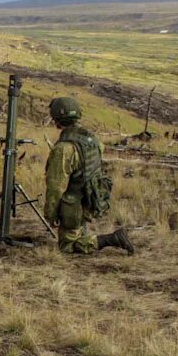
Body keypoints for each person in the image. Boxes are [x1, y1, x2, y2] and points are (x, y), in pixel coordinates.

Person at [43, 97, 134, 254]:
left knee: (67, 246)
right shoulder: (92, 140)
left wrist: (51, 215)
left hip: (72, 204)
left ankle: (112, 239)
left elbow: (56, 187)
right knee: (77, 231)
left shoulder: (64, 148)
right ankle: (82, 232)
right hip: (91, 198)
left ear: (56, 118)